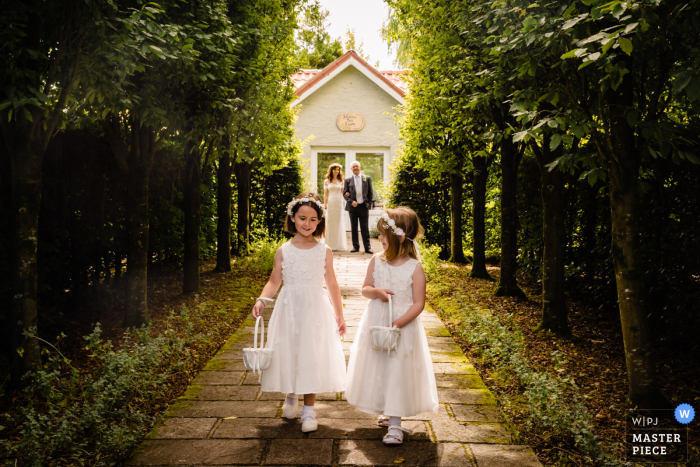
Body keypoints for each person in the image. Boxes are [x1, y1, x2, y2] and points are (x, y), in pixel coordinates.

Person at [251, 192, 347, 433]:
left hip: (315, 309)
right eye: (302, 218)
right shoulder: (283, 250)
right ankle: (291, 396)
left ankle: (309, 411)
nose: (307, 224)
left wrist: (340, 315)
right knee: (290, 352)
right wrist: (263, 299)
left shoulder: (324, 251)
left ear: (320, 221)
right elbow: (274, 280)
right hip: (289, 308)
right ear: (292, 218)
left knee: (311, 355)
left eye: (313, 219)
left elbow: (332, 284)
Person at [345, 207, 439, 445]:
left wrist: (397, 324)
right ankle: (387, 409)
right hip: (377, 323)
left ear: (399, 237)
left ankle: (396, 425)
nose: (379, 239)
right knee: (379, 366)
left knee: (398, 369)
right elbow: (365, 289)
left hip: (402, 327)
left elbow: (419, 304)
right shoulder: (376, 261)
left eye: (383, 235)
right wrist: (376, 291)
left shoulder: (414, 267)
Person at [343, 161, 374, 254]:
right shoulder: (348, 180)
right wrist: (351, 202)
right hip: (352, 208)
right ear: (351, 169)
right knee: (354, 227)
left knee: (364, 228)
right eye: (353, 167)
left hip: (363, 207)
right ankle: (355, 247)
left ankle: (367, 247)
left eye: (356, 166)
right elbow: (345, 194)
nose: (355, 168)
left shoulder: (367, 178)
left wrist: (367, 203)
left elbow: (370, 192)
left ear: (360, 167)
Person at [323, 163, 348, 251]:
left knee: (338, 222)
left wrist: (348, 195)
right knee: (330, 222)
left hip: (338, 203)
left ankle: (338, 245)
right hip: (331, 202)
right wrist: (324, 205)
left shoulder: (341, 181)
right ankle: (329, 244)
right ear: (331, 170)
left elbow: (343, 193)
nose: (336, 171)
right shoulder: (326, 181)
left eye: (338, 170)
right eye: (335, 169)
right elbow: (326, 194)